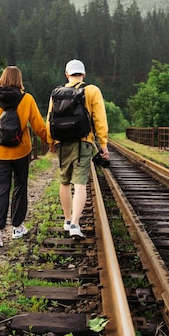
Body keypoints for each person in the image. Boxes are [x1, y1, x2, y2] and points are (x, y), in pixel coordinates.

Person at [0, 66, 52, 248]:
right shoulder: (27, 99)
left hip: (0, 152)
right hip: (21, 151)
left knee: (0, 188)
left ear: (2, 79)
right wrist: (50, 141)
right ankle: (17, 227)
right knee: (20, 186)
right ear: (19, 80)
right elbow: (38, 125)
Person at [46, 59, 109, 238]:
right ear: (84, 74)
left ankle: (67, 220)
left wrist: (51, 141)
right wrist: (103, 144)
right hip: (83, 141)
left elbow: (50, 118)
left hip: (62, 142)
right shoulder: (92, 90)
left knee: (64, 181)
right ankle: (75, 224)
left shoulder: (57, 93)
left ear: (67, 74)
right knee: (79, 182)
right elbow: (100, 119)